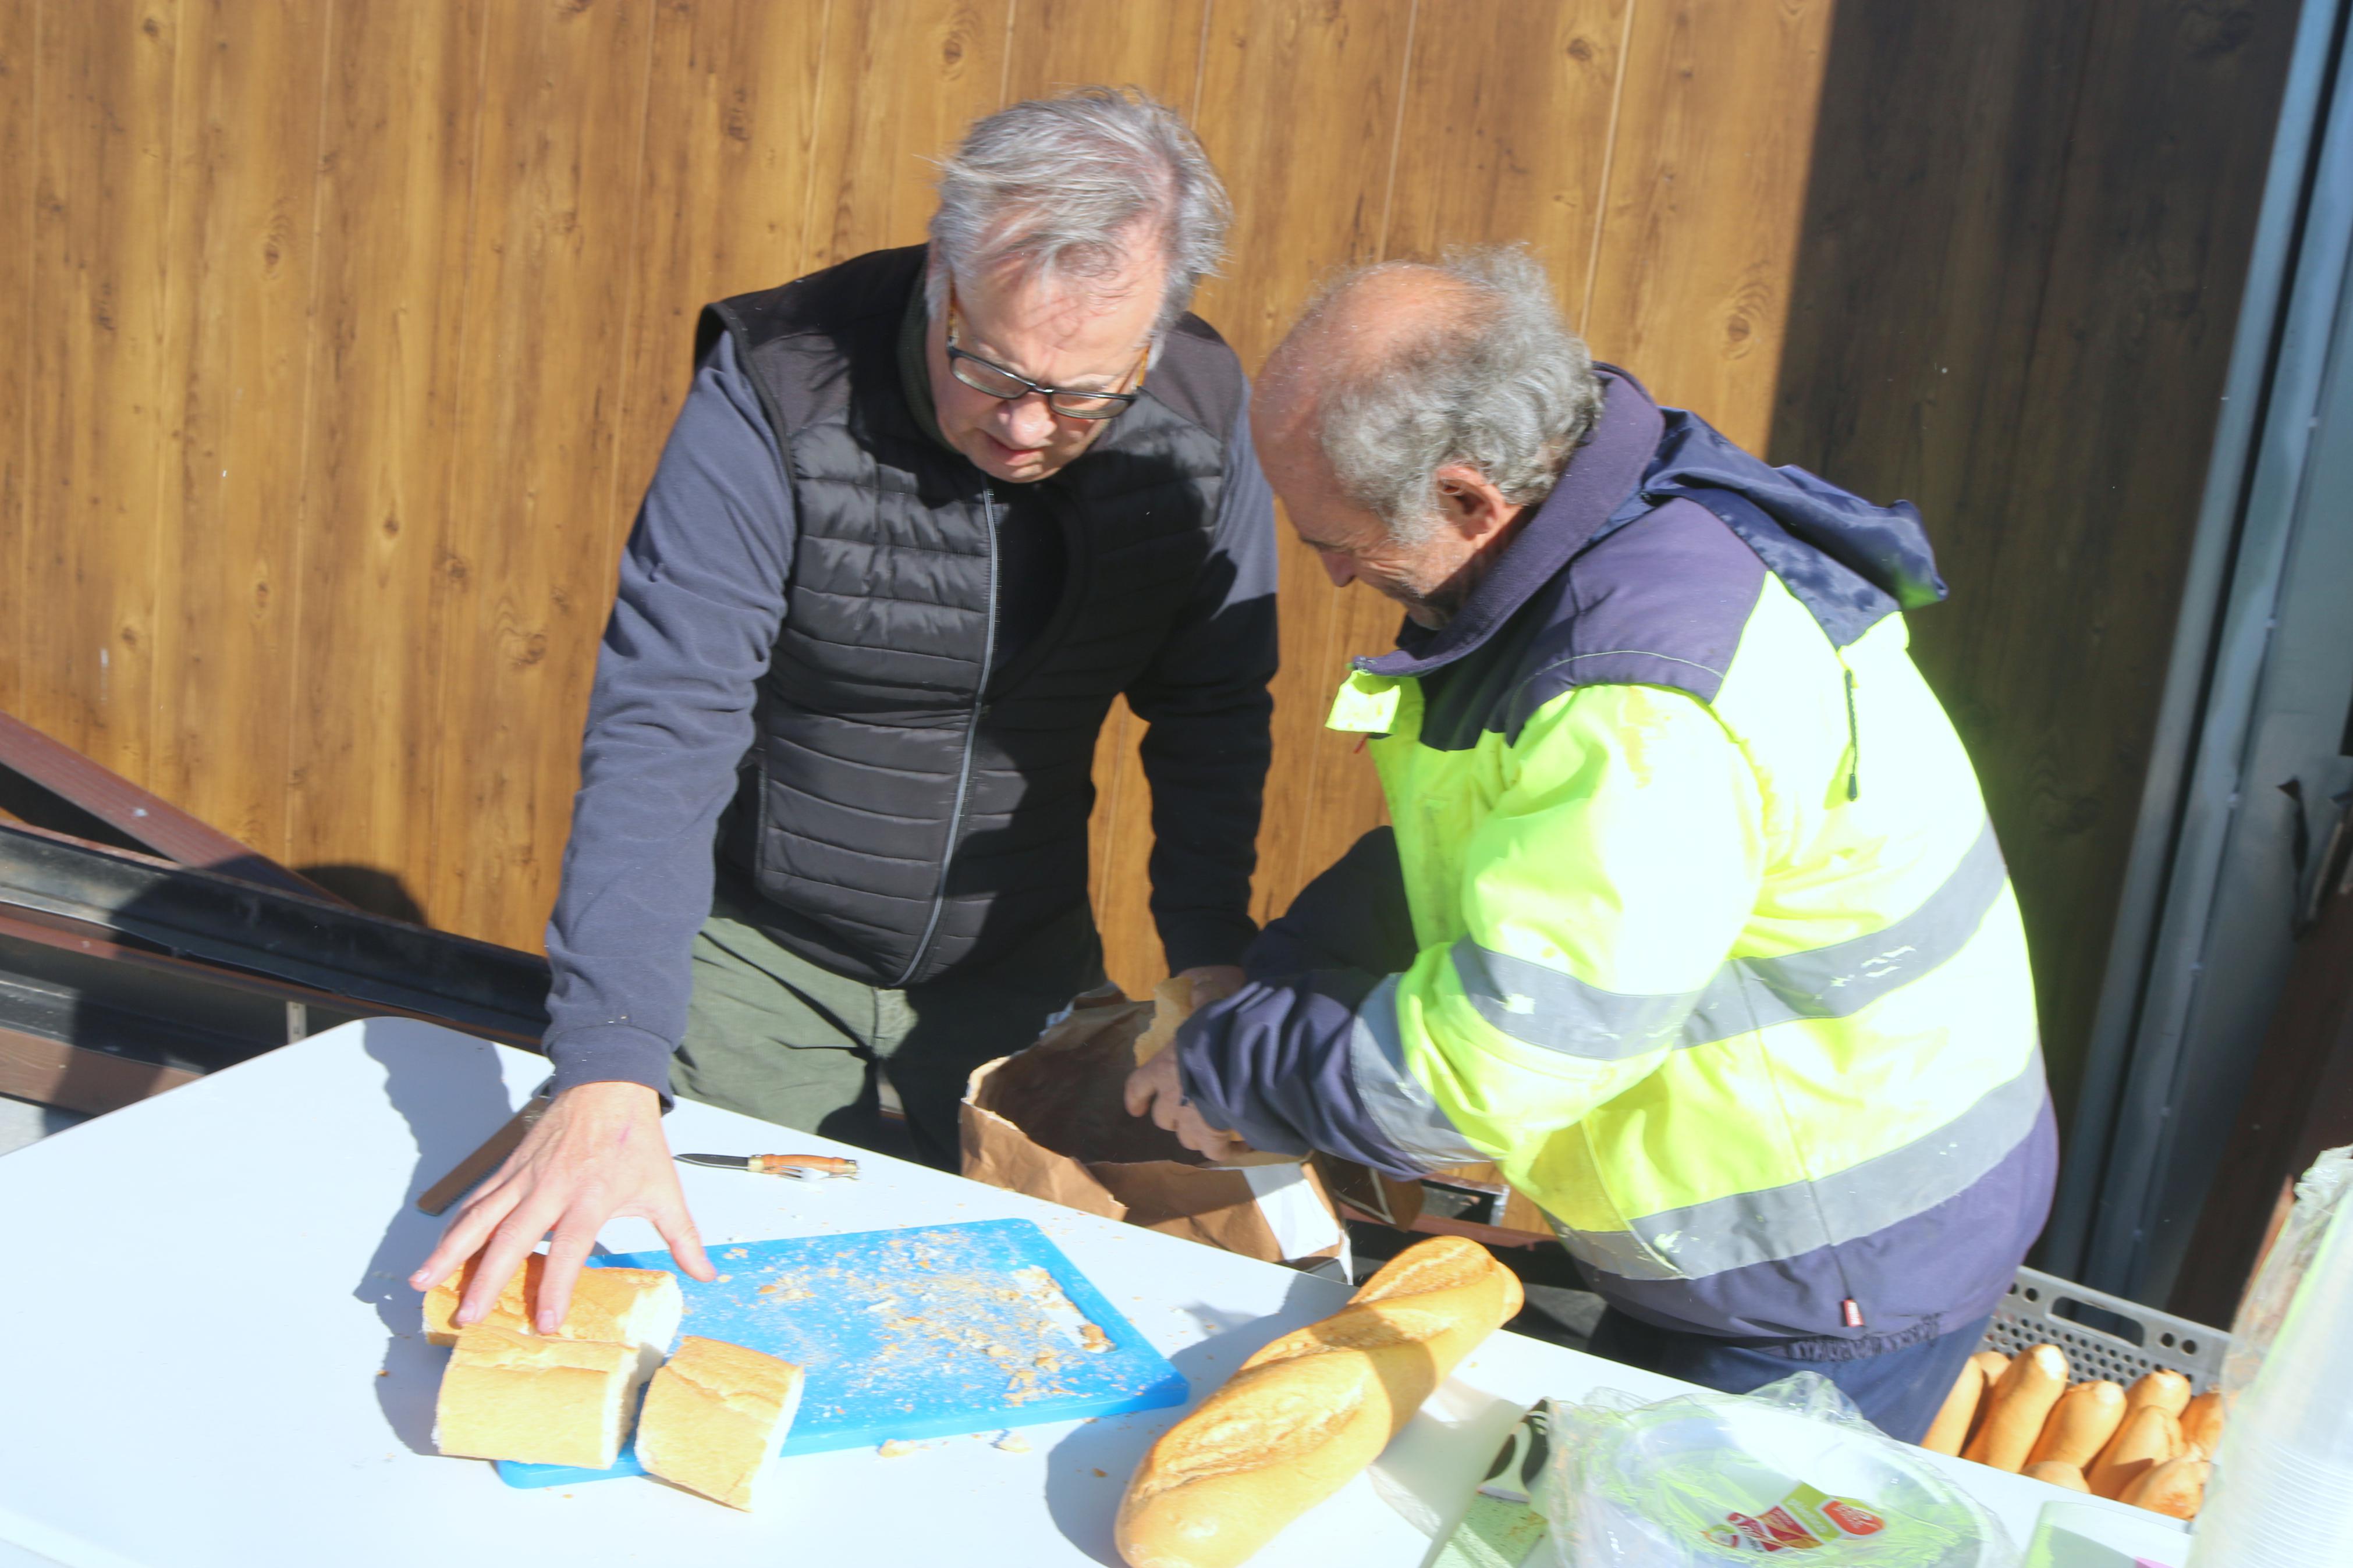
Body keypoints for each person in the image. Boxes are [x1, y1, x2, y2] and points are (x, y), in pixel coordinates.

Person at [1126, 250, 2054, 1442]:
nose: (1338, 573)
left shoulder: (1635, 692)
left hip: (1819, 1262)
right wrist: (1284, 966)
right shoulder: (1599, 518)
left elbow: (1479, 1074)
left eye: (1336, 542)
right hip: (1768, 1215)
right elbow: (1503, 842)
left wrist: (1234, 1062)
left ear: (1469, 497)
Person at [417, 88, 1276, 1335]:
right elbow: (670, 714)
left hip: (1018, 956)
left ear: (1158, 331)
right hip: (759, 951)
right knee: (704, 1316)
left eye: (1085, 395)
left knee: (1046, 1327)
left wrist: (1210, 964)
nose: (1030, 428)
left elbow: (1211, 706)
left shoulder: (1197, 415)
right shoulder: (780, 378)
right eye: (994, 368)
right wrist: (607, 1067)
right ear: (943, 270)